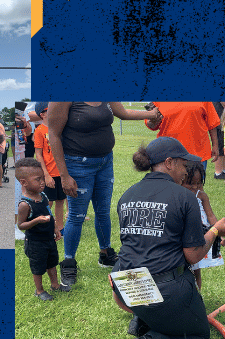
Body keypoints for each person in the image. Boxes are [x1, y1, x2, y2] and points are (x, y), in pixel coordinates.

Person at [111, 137, 225, 339]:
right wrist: (216, 230)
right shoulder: (184, 197)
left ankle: (144, 319)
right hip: (165, 289)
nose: (184, 171)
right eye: (183, 165)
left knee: (163, 314)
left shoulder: (127, 195)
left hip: (125, 283)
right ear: (169, 162)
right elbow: (193, 255)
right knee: (199, 336)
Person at [44, 102, 162, 287]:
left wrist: (152, 114)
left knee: (103, 211)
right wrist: (64, 176)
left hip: (105, 162)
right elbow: (54, 135)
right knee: (76, 215)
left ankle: (105, 254)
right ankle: (68, 263)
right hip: (77, 163)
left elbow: (123, 112)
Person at [15, 158, 69, 301]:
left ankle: (55, 285)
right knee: (38, 267)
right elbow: (20, 225)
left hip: (48, 239)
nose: (42, 182)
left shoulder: (43, 196)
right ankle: (39, 290)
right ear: (24, 182)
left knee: (52, 262)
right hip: (35, 243)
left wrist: (56, 228)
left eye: (42, 178)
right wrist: (36, 220)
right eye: (37, 179)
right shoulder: (24, 205)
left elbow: (49, 214)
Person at [31, 109, 68, 235]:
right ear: (42, 114)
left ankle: (60, 227)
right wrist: (46, 175)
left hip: (61, 171)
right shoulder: (39, 130)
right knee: (48, 202)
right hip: (49, 173)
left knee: (60, 200)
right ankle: (42, 226)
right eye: (48, 110)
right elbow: (39, 154)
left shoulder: (59, 127)